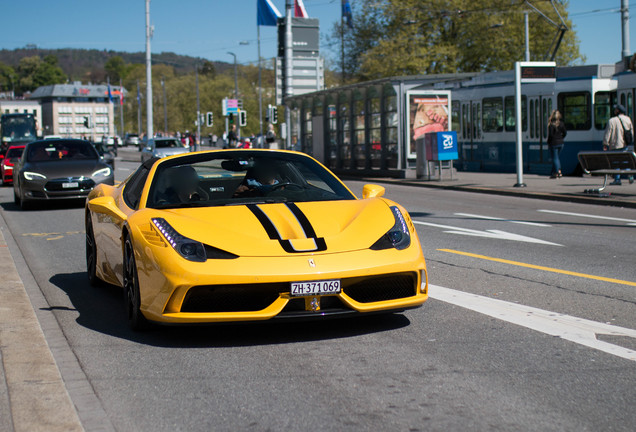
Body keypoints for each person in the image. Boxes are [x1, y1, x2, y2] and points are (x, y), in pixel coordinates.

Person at [603, 104, 634, 185]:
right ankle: (629, 175)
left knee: (616, 162)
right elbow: (631, 133)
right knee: (624, 161)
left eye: (615, 109)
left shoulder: (612, 120)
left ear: (618, 111)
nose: (614, 110)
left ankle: (617, 179)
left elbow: (608, 133)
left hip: (615, 145)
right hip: (625, 144)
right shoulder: (628, 119)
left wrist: (605, 143)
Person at [547, 109, 567, 179]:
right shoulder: (561, 124)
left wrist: (548, 142)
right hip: (561, 143)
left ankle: (558, 172)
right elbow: (565, 133)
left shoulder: (551, 125)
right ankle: (554, 173)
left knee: (555, 158)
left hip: (554, 143)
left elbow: (550, 135)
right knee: (556, 158)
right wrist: (561, 138)